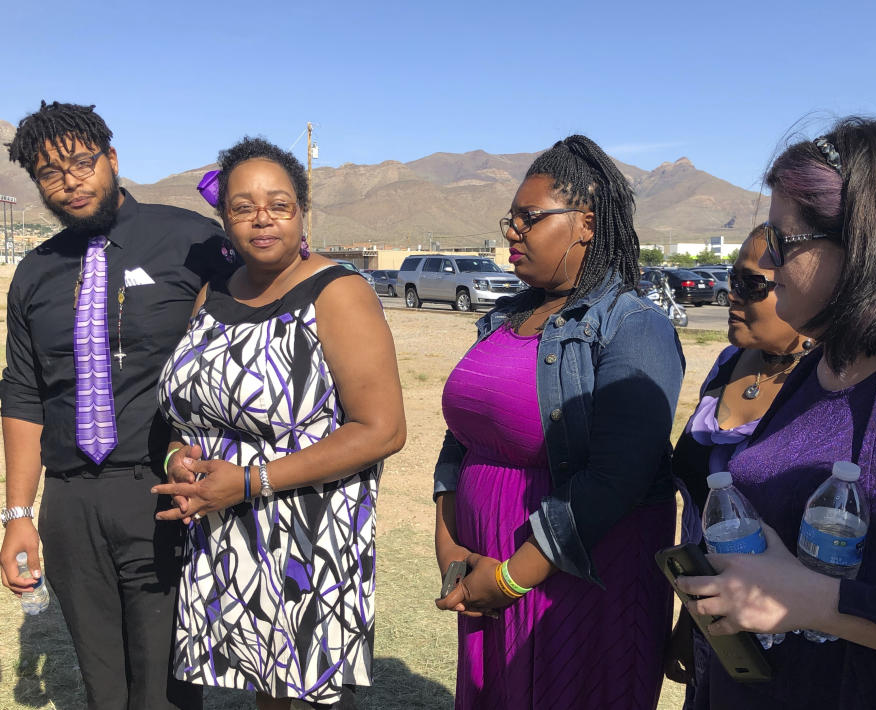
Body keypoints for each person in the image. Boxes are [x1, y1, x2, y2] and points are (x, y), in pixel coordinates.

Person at [676, 118, 876, 709]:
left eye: (781, 242)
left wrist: (817, 603)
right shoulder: (822, 363)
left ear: (865, 244)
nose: (767, 263)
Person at [151, 137, 406, 710]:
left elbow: (383, 429)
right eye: (242, 207)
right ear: (225, 219)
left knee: (290, 686)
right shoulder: (214, 293)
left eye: (279, 204)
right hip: (225, 524)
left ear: (302, 211)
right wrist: (177, 455)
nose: (261, 219)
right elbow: (190, 406)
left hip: (305, 528)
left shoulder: (338, 293)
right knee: (262, 690)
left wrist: (249, 481)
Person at [433, 135, 685, 709]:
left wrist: (513, 578)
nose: (512, 232)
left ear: (586, 224)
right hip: (484, 570)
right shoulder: (503, 316)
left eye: (530, 217)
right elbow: (461, 440)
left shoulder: (633, 327)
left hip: (575, 576)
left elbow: (617, 477)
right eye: (511, 218)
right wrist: (451, 550)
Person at [0, 101, 233, 710]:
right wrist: (18, 513)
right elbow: (22, 394)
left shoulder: (193, 240)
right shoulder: (34, 271)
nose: (70, 181)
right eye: (50, 173)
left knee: (166, 686)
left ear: (112, 159)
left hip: (161, 491)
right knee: (102, 687)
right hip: (71, 503)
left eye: (81, 162)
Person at [666, 225, 813, 699]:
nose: (731, 294)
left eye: (752, 285)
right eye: (732, 278)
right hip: (715, 625)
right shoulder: (730, 360)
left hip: (795, 636)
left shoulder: (832, 384)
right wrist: (692, 622)